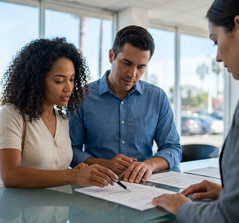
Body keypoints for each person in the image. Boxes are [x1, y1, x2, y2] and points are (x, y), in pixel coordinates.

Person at [152, 0, 239, 222]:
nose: (218, 56)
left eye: (215, 41)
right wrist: (229, 193)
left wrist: (182, 208)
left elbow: (237, 217)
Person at [0, 37, 118, 188]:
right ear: (37, 81)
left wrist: (82, 172)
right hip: (22, 209)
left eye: (72, 79)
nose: (68, 88)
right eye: (59, 81)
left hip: (60, 208)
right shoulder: (12, 114)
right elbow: (11, 176)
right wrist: (72, 175)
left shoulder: (62, 118)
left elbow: (54, 170)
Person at [69, 25, 182, 183]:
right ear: (111, 56)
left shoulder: (157, 97)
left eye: (141, 67)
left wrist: (149, 165)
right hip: (96, 186)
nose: (132, 74)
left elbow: (173, 149)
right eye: (127, 63)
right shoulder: (82, 96)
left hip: (142, 187)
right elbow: (70, 151)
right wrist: (104, 164)